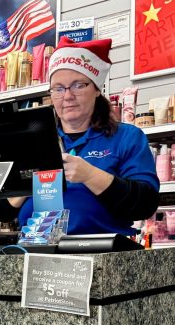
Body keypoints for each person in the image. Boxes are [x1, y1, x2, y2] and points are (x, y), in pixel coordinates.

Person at [12, 37, 159, 235]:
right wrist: (15, 191)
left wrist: (90, 175)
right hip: (35, 247)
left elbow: (145, 204)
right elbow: (2, 213)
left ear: (97, 89)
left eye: (78, 85)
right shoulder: (33, 142)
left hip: (101, 253)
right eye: (58, 88)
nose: (67, 96)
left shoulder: (127, 137)